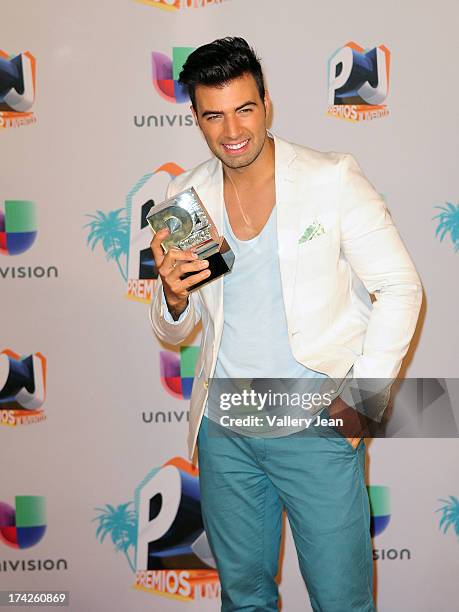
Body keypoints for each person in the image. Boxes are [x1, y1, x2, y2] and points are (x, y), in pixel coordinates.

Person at [149, 37, 422, 612]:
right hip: (226, 434)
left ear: (267, 104)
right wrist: (172, 297)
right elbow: (178, 329)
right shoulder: (185, 194)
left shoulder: (332, 179)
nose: (232, 131)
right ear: (196, 119)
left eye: (244, 109)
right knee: (244, 600)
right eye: (214, 115)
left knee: (342, 602)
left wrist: (366, 400)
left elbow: (401, 288)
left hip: (317, 427)